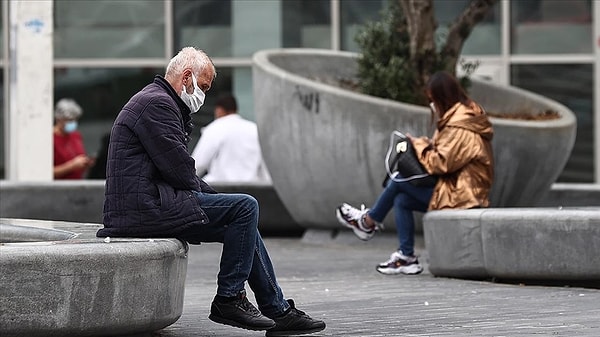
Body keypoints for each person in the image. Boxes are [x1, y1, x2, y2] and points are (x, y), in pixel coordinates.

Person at [97, 47, 325, 337]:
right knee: (244, 207)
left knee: (243, 218)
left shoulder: (158, 101)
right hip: (145, 209)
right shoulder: (157, 104)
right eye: (202, 87)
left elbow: (179, 170)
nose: (203, 95)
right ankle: (229, 299)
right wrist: (214, 198)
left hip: (148, 203)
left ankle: (278, 311)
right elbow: (179, 168)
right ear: (186, 77)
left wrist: (213, 199)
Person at [335, 71, 494, 276]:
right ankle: (406, 257)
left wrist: (417, 145)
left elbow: (441, 163)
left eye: (431, 99)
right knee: (401, 199)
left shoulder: (462, 125)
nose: (431, 104)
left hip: (464, 194)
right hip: (456, 188)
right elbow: (445, 153)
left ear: (441, 98)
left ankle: (368, 222)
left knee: (400, 180)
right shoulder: (459, 118)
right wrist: (423, 144)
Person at [191, 93, 271, 183]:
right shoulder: (254, 129)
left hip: (220, 189)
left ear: (219, 110)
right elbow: (265, 168)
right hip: (251, 189)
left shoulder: (215, 128)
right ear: (236, 110)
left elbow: (198, 164)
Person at [53, 98, 95, 179]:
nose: (73, 123)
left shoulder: (76, 136)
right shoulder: (50, 139)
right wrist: (71, 166)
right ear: (58, 119)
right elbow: (45, 172)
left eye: (75, 119)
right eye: (69, 120)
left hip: (77, 185)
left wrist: (86, 162)